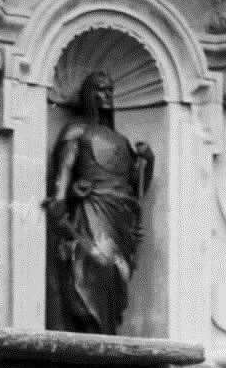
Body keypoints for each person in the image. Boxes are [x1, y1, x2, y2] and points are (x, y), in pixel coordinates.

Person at [44, 69, 154, 334]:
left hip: (121, 217)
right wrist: (66, 196)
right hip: (92, 210)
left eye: (109, 91)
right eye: (99, 90)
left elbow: (137, 188)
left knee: (119, 272)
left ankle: (105, 332)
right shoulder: (76, 131)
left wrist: (149, 161)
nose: (106, 96)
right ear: (88, 95)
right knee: (97, 264)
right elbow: (62, 175)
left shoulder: (122, 141)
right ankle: (92, 331)